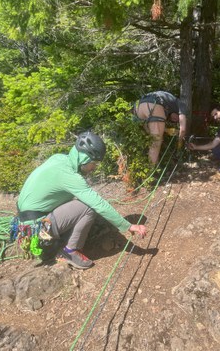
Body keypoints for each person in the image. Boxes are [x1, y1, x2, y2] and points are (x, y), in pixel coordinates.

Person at [17, 131, 147, 269]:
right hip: (37, 229)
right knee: (87, 207)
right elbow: (98, 203)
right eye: (94, 163)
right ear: (85, 159)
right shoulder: (69, 176)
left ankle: (56, 240)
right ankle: (69, 251)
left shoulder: (59, 159)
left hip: (26, 227)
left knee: (78, 204)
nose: (95, 167)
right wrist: (128, 226)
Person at [132, 90, 187, 164]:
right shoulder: (182, 106)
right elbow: (183, 130)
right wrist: (180, 143)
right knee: (156, 141)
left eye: (174, 121)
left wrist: (167, 130)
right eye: (177, 119)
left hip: (139, 106)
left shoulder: (168, 107)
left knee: (149, 137)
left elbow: (149, 128)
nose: (175, 120)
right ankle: (151, 171)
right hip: (154, 103)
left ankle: (142, 165)